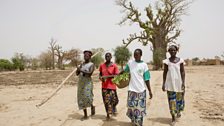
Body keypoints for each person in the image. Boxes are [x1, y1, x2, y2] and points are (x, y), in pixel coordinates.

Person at [122, 49, 153, 126]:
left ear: (140, 55)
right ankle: (134, 121)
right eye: (134, 54)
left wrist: (150, 91)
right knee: (132, 108)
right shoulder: (130, 63)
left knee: (140, 109)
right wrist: (117, 75)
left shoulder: (144, 65)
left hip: (141, 91)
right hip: (132, 90)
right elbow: (125, 71)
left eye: (137, 54)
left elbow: (147, 79)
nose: (135, 56)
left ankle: (139, 123)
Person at [162, 42, 185, 125]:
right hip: (170, 84)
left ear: (176, 51)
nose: (172, 52)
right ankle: (173, 118)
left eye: (174, 50)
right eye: (171, 50)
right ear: (168, 51)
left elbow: (182, 72)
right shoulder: (166, 62)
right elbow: (164, 73)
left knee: (179, 100)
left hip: (179, 83)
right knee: (172, 101)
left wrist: (183, 83)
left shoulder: (180, 61)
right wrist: (163, 83)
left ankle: (178, 111)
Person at [99, 52, 119, 120]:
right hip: (104, 86)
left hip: (112, 86)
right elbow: (100, 74)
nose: (107, 57)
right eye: (106, 56)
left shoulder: (114, 66)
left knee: (115, 100)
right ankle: (108, 114)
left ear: (111, 57)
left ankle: (114, 107)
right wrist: (101, 78)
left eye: (108, 56)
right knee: (106, 101)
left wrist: (107, 77)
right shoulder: (102, 66)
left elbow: (116, 75)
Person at [76, 50, 95, 120]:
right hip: (81, 83)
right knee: (81, 98)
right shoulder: (81, 64)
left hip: (88, 83)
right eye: (84, 55)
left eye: (87, 55)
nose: (85, 56)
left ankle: (92, 106)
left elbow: (89, 73)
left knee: (88, 97)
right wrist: (78, 69)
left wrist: (81, 70)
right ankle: (85, 115)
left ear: (90, 56)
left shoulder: (91, 64)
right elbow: (77, 74)